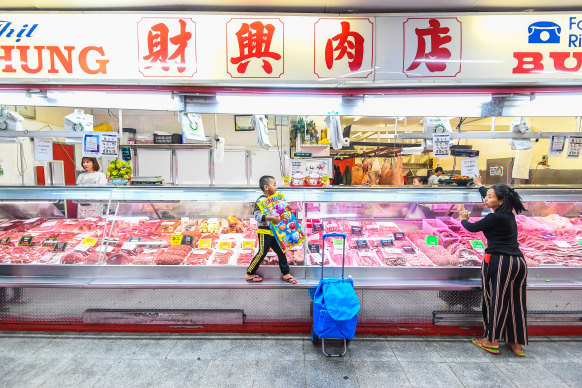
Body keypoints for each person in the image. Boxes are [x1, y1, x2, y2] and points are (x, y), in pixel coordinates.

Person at [460, 175, 528, 357]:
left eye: (489, 197)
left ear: (500, 200)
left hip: (500, 262)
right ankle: (515, 343)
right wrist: (481, 186)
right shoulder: (507, 214)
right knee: (516, 303)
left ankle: (491, 340)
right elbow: (491, 197)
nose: (485, 199)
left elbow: (472, 228)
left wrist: (463, 218)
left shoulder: (495, 218)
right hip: (518, 263)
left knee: (495, 300)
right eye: (486, 195)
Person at [245, 175, 297, 284]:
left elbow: (281, 211)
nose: (276, 187)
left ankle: (286, 273)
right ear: (266, 187)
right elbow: (257, 216)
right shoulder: (261, 200)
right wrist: (270, 218)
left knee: (281, 251)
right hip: (265, 231)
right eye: (274, 185)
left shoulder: (277, 199)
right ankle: (250, 273)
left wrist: (287, 208)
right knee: (262, 252)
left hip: (277, 231)